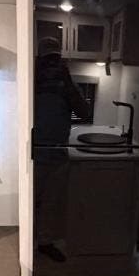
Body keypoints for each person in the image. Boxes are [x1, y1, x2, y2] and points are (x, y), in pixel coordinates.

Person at [32, 37, 90, 262]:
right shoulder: (29, 80)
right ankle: (26, 243)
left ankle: (44, 243)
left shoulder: (66, 84)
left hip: (57, 152)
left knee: (51, 204)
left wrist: (67, 83)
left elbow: (84, 113)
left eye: (54, 60)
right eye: (47, 60)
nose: (51, 66)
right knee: (31, 202)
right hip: (33, 153)